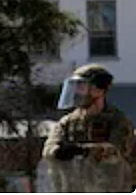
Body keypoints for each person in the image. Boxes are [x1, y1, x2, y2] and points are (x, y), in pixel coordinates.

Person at [41, 64, 133, 192]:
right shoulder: (67, 122)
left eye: (82, 86)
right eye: (76, 87)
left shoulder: (117, 121)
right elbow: (48, 149)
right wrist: (57, 151)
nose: (77, 92)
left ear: (99, 90)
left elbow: (117, 152)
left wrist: (83, 151)